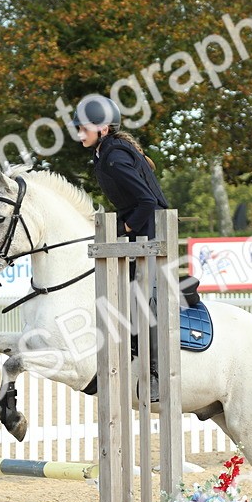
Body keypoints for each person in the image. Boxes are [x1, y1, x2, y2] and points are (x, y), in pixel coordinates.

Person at [75, 94, 171, 403]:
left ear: (102, 128)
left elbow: (146, 201)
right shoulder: (105, 153)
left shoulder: (114, 157)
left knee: (142, 298)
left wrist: (124, 228)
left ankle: (155, 373)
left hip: (151, 231)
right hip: (140, 231)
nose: (80, 134)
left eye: (84, 128)